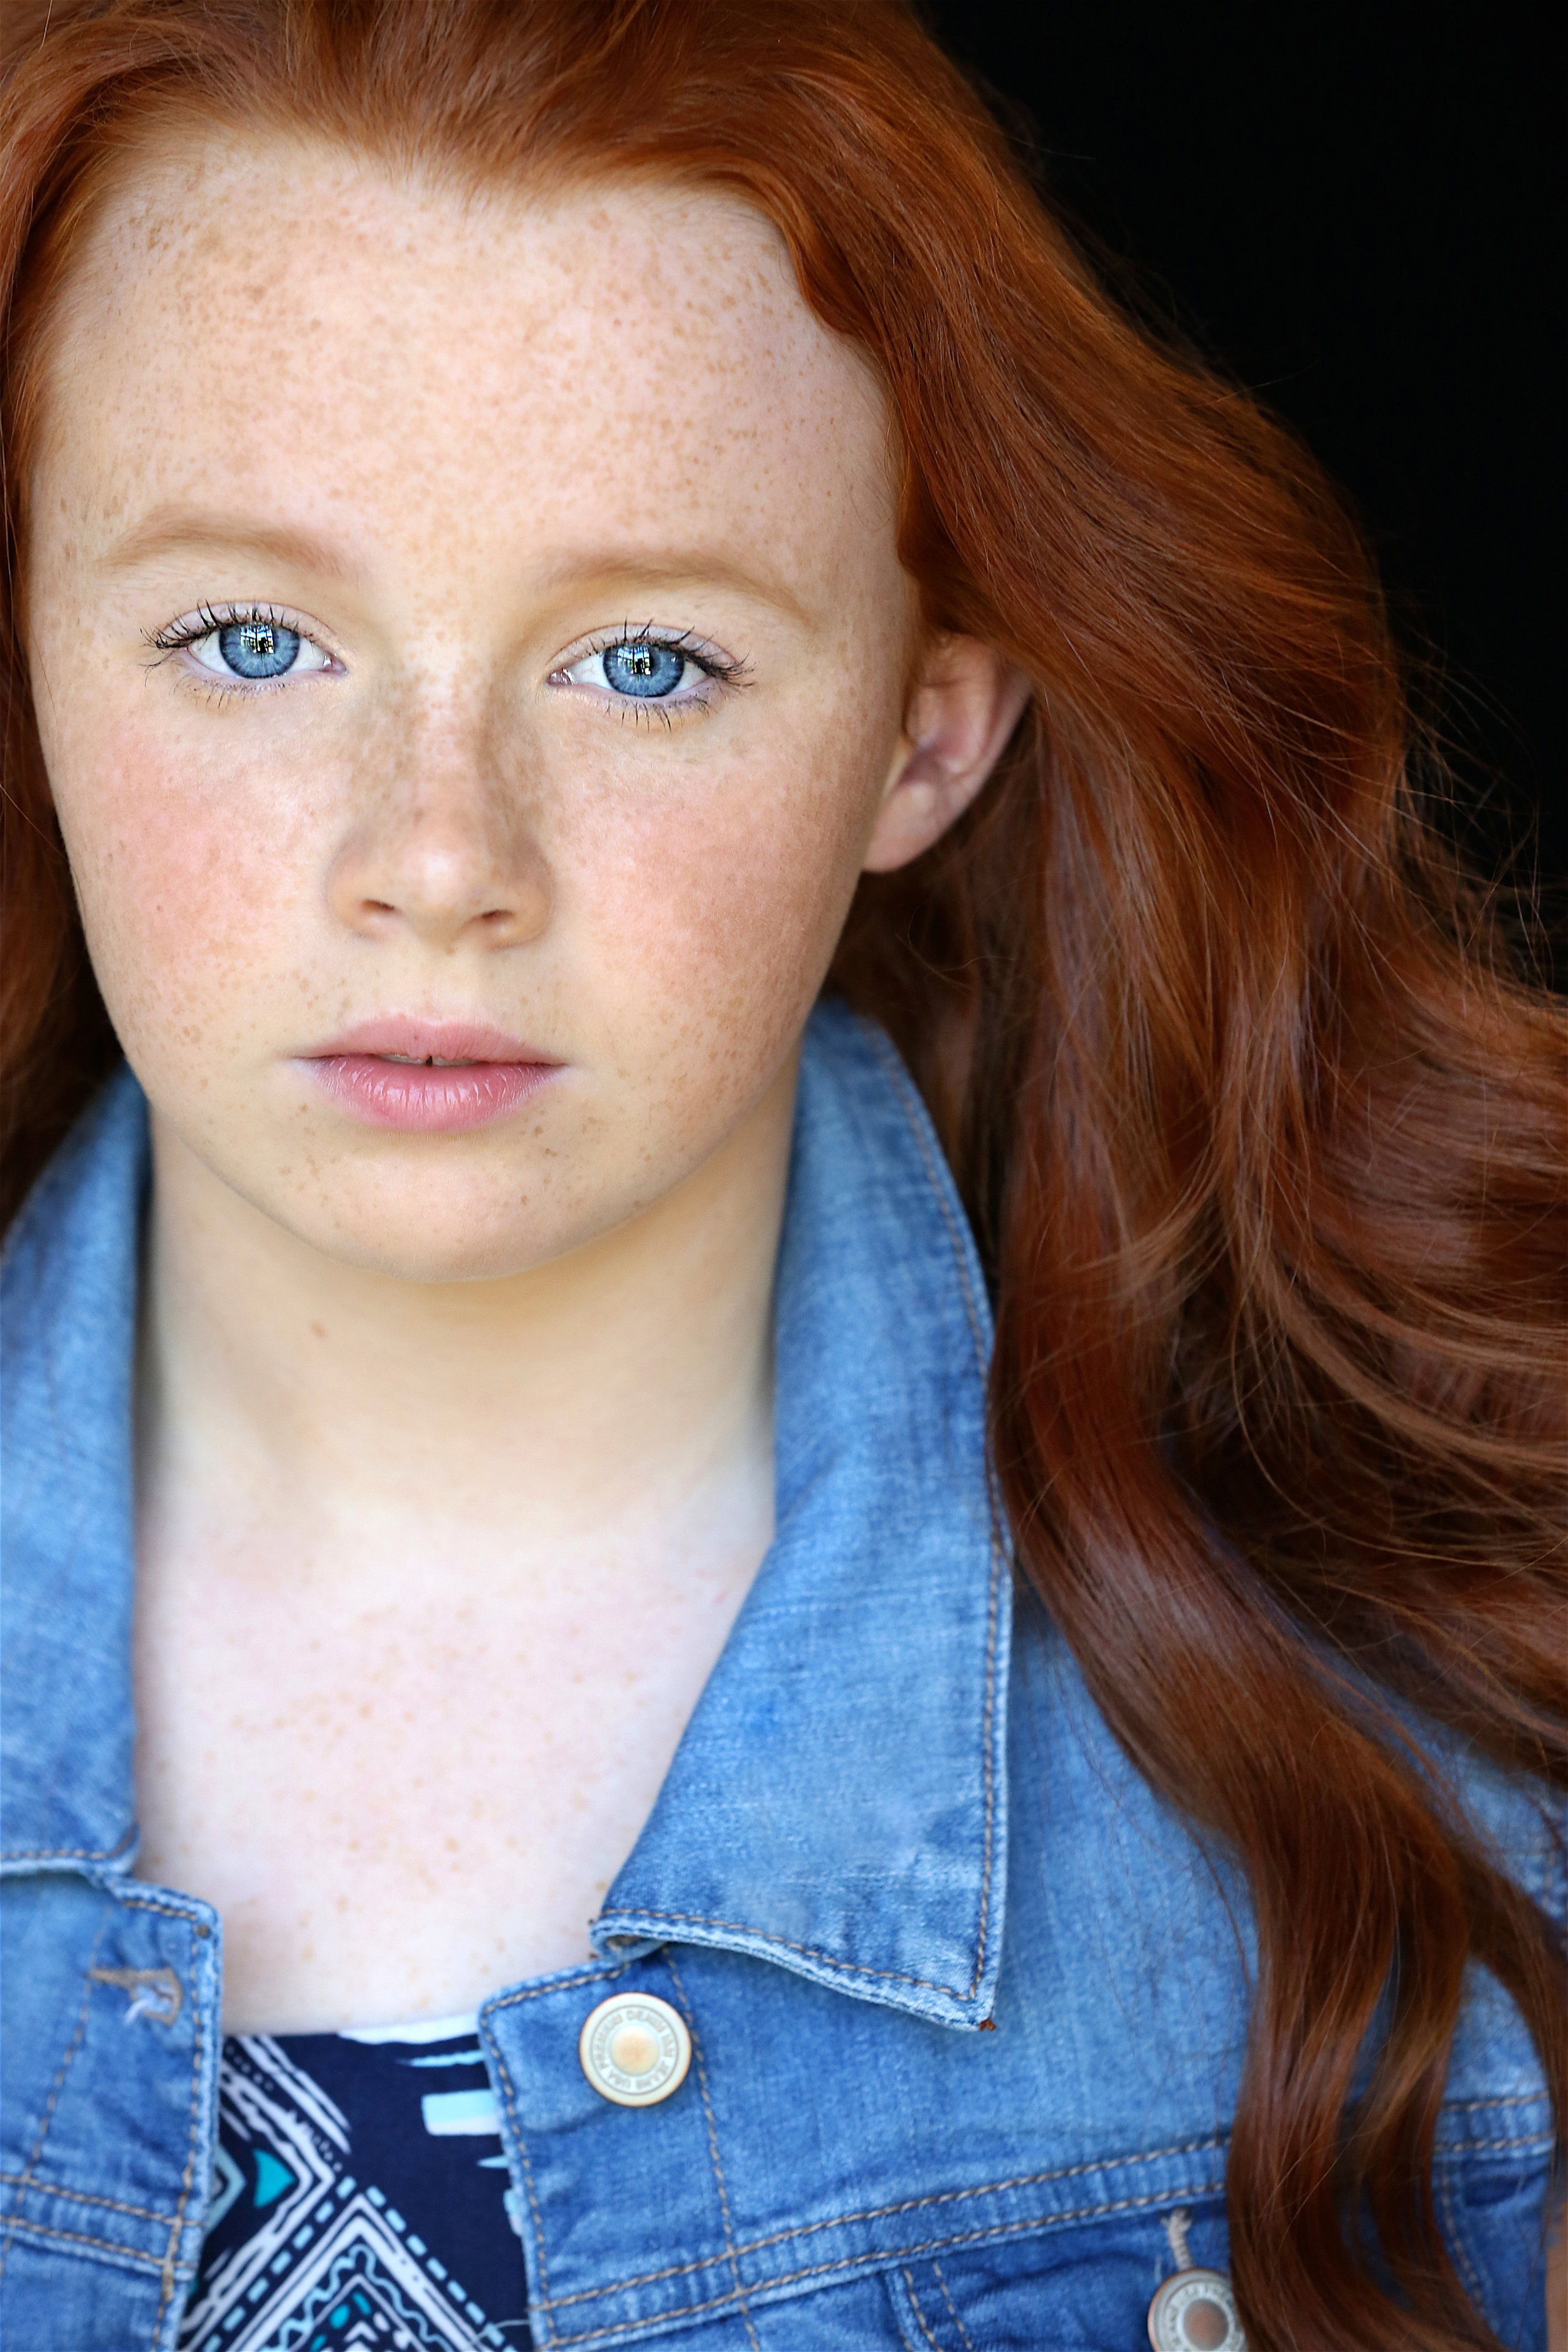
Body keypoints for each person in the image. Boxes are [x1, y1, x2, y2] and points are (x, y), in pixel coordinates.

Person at [1, 3, 1561, 2347]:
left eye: (643, 661)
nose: (439, 861)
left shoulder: (1456, 1794)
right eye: (251, 639)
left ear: (924, 735)